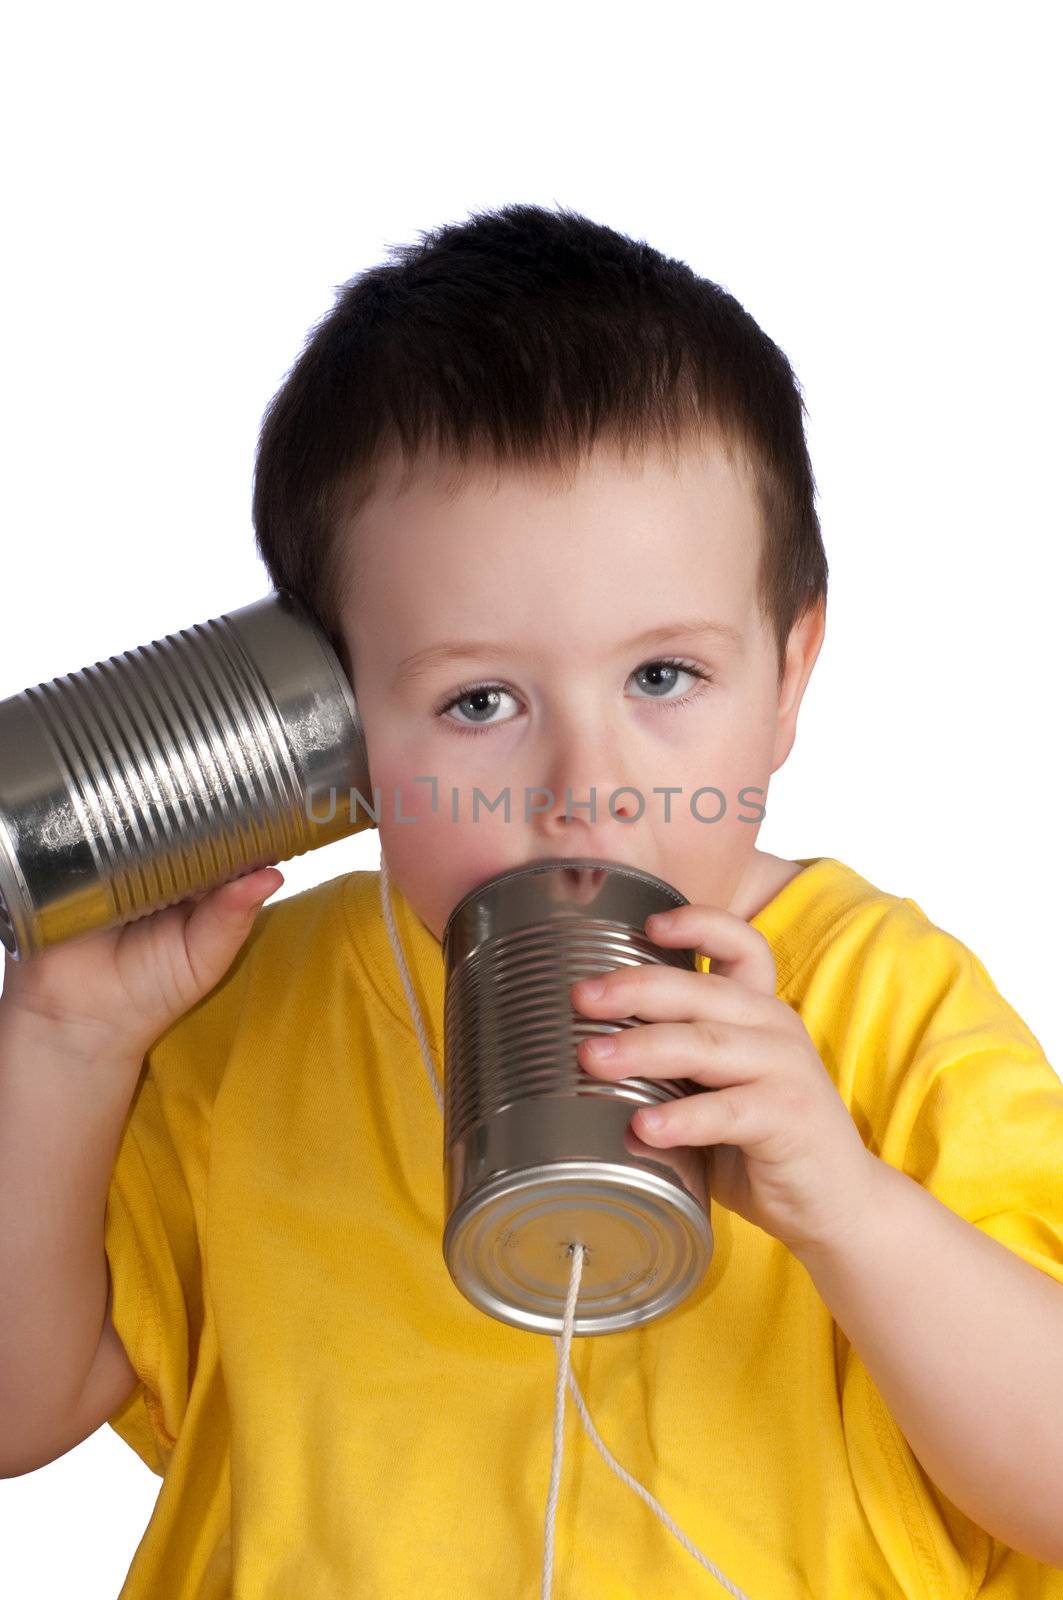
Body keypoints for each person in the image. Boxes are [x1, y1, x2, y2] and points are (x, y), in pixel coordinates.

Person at [2, 202, 1062, 1599]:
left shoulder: (879, 1001)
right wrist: (66, 1049)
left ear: (791, 674)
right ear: (328, 727)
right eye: (479, 700)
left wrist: (851, 1211)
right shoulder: (251, 1018)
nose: (590, 788)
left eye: (663, 678)